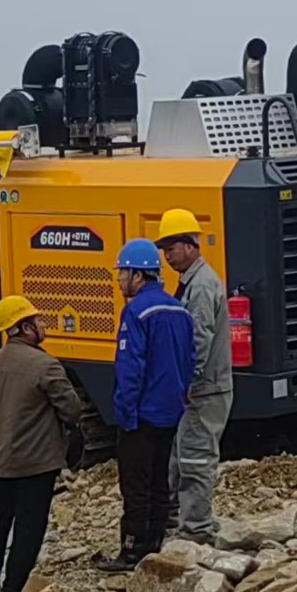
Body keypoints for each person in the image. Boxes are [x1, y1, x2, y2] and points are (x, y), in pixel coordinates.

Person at [0, 294, 83, 592]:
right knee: (29, 528)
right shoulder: (45, 365)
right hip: (36, 463)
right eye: (38, 320)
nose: (44, 324)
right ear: (24, 327)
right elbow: (72, 410)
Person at [93, 238, 196, 571]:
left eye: (122, 273)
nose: (119, 280)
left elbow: (130, 368)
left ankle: (132, 551)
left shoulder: (135, 312)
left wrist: (124, 414)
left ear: (138, 274)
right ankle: (154, 544)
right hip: (170, 412)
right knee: (158, 481)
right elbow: (189, 359)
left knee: (135, 485)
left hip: (141, 415)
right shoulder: (178, 309)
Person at [157, 207, 233, 544]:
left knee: (194, 458)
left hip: (205, 389)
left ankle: (196, 531)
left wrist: (189, 380)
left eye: (171, 248)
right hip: (203, 387)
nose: (167, 256)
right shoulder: (193, 282)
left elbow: (199, 338)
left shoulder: (200, 286)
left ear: (189, 245)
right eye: (164, 250)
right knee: (181, 455)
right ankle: (177, 519)